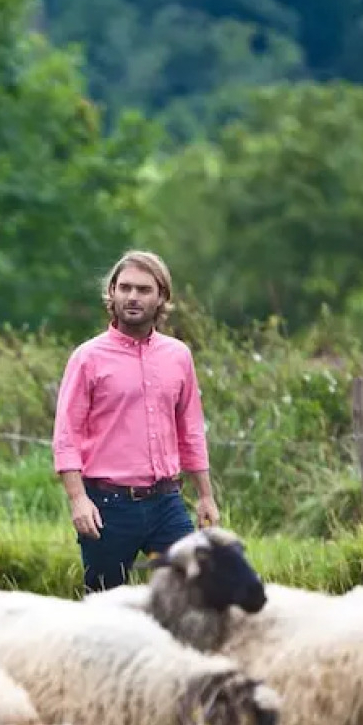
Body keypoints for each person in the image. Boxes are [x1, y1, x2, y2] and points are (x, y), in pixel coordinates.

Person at [52, 249, 219, 593]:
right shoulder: (87, 358)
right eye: (124, 287)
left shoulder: (178, 356)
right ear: (111, 293)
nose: (132, 297)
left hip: (166, 503)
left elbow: (191, 430)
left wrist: (205, 496)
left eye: (144, 290)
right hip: (108, 505)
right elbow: (66, 435)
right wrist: (78, 499)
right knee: (105, 601)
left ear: (161, 298)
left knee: (193, 591)